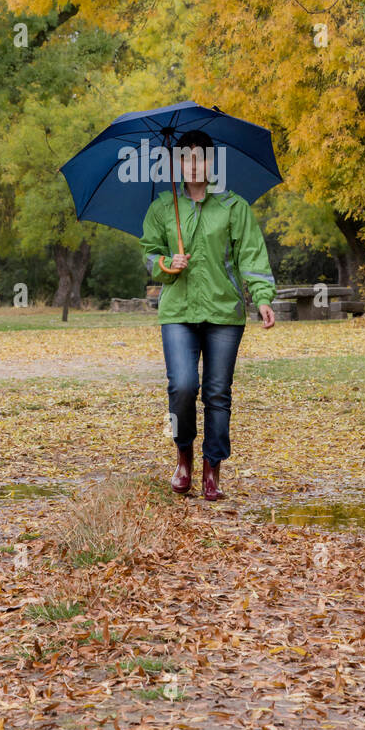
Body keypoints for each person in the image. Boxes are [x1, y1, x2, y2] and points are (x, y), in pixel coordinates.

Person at [139, 130, 276, 501]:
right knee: (181, 386)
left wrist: (262, 297)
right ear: (177, 163)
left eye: (201, 158)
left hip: (223, 313)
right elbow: (149, 255)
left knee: (217, 393)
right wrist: (168, 262)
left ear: (212, 163)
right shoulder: (162, 209)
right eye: (186, 158)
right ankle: (183, 454)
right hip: (178, 312)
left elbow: (252, 257)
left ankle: (212, 468)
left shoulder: (234, 207)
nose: (194, 165)